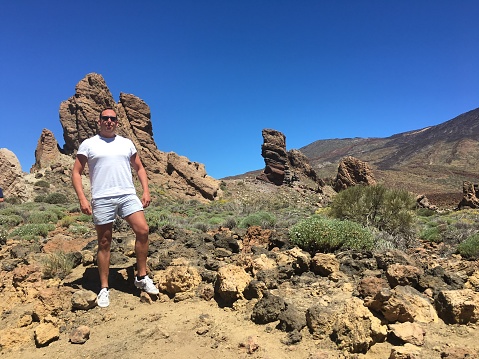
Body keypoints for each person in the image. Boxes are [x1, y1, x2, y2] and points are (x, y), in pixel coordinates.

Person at [72, 107, 159, 308]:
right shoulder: (89, 144)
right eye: (105, 118)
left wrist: (145, 190)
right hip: (102, 197)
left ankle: (141, 276)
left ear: (117, 122)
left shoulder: (126, 143)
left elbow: (139, 167)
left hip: (127, 194)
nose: (109, 121)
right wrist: (83, 199)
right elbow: (76, 172)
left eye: (112, 119)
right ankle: (104, 288)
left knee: (143, 230)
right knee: (104, 242)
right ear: (99, 121)